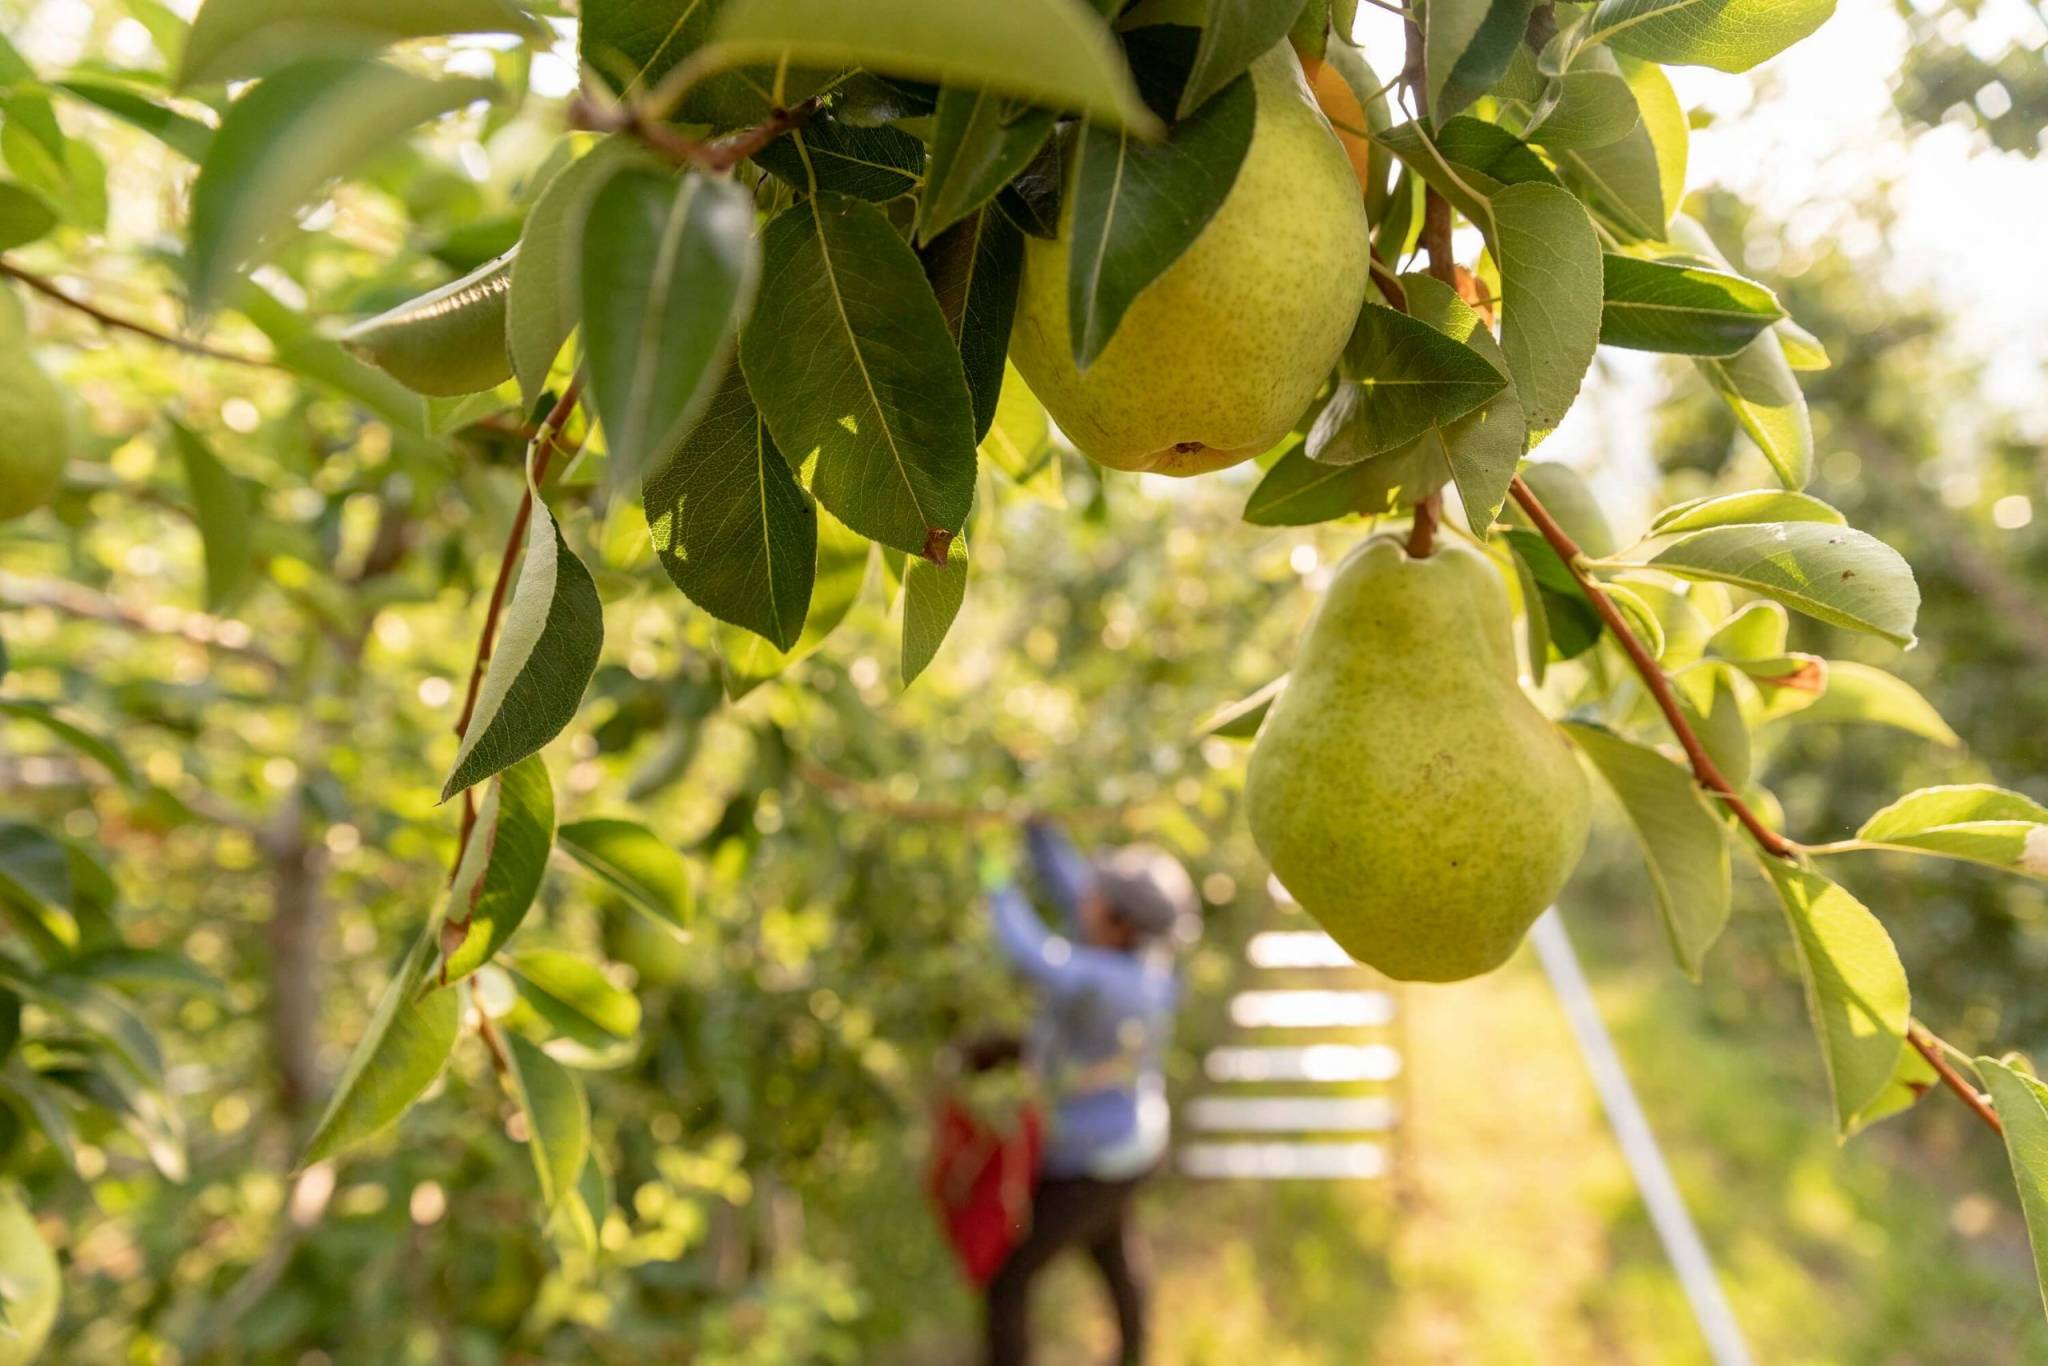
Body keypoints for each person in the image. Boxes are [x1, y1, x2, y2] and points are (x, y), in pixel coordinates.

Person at [980, 819, 1198, 1366]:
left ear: (1118, 924)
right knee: (1111, 1246)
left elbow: (1030, 953)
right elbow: (1077, 888)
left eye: (1100, 897)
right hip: (1134, 1143)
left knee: (1007, 1279)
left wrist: (994, 877)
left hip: (1092, 1160)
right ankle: (1133, 1354)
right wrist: (1038, 831)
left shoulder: (1106, 986)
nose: (1088, 896)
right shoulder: (1146, 957)